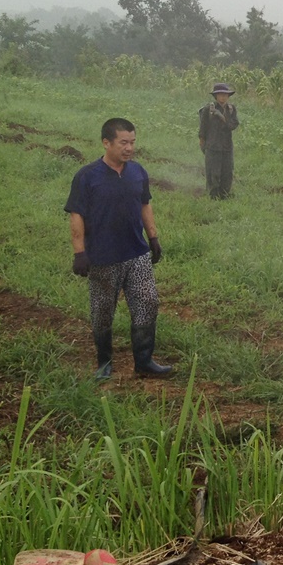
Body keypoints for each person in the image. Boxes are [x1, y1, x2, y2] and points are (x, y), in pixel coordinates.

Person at [65, 117, 173, 380]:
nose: (129, 148)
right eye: (123, 142)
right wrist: (80, 252)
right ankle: (104, 364)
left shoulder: (138, 172)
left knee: (147, 303)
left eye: (133, 142)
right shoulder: (87, 177)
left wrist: (154, 237)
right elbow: (76, 215)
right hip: (103, 257)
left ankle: (144, 361)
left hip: (136, 253)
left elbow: (145, 204)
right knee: (102, 311)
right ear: (106, 142)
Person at [199, 82, 240, 199]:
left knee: (227, 172)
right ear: (216, 96)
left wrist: (223, 118)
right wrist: (202, 142)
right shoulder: (208, 109)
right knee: (213, 173)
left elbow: (233, 125)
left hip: (227, 146)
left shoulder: (231, 109)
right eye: (220, 94)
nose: (223, 97)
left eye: (225, 95)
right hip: (212, 146)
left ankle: (225, 195)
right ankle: (213, 196)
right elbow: (203, 127)